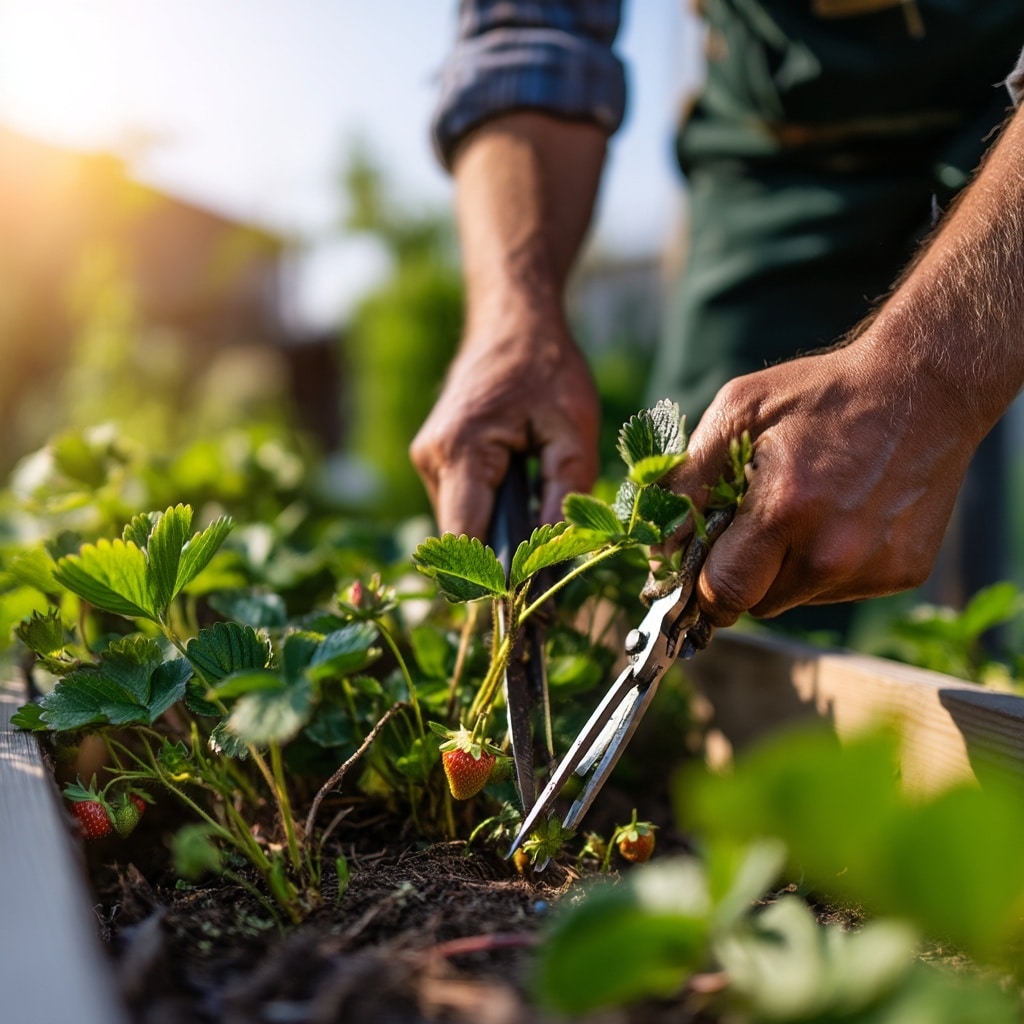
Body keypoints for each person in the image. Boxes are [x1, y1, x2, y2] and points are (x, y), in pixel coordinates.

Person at [410, 1, 1024, 634]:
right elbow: (534, 25)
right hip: (782, 125)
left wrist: (935, 380)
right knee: (722, 530)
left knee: (985, 556)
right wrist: (512, 324)